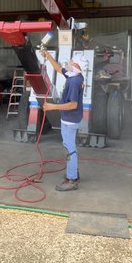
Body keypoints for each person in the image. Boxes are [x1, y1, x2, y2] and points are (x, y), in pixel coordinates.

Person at [40, 50, 86, 191]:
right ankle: (73, 173)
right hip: (69, 118)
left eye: (72, 62)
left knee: (69, 147)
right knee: (69, 145)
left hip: (70, 120)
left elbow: (73, 104)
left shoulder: (74, 81)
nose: (69, 63)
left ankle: (71, 180)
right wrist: (48, 56)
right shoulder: (74, 75)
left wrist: (53, 106)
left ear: (76, 65)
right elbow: (59, 68)